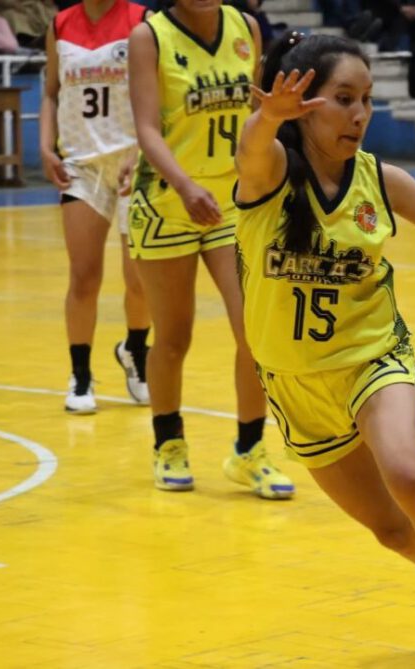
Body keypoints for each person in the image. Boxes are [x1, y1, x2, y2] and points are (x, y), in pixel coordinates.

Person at [234, 31, 415, 667]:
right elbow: (251, 148)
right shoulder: (270, 174)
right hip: (294, 384)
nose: (360, 114)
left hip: (374, 358)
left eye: (366, 99)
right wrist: (266, 118)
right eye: (344, 99)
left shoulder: (381, 180)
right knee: (393, 531)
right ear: (305, 104)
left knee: (410, 476)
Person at [126, 0, 295, 498]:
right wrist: (184, 185)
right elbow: (146, 129)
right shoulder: (149, 37)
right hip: (168, 203)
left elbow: (257, 115)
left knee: (254, 332)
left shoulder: (246, 27)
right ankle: (168, 443)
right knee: (173, 336)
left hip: (231, 202)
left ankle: (249, 451)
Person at [39, 0, 152, 414]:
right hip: (81, 165)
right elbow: (51, 93)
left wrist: (142, 150)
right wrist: (45, 145)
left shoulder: (142, 21)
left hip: (131, 163)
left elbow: (158, 98)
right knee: (84, 276)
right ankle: (81, 374)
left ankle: (134, 349)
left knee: (140, 279)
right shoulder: (60, 24)